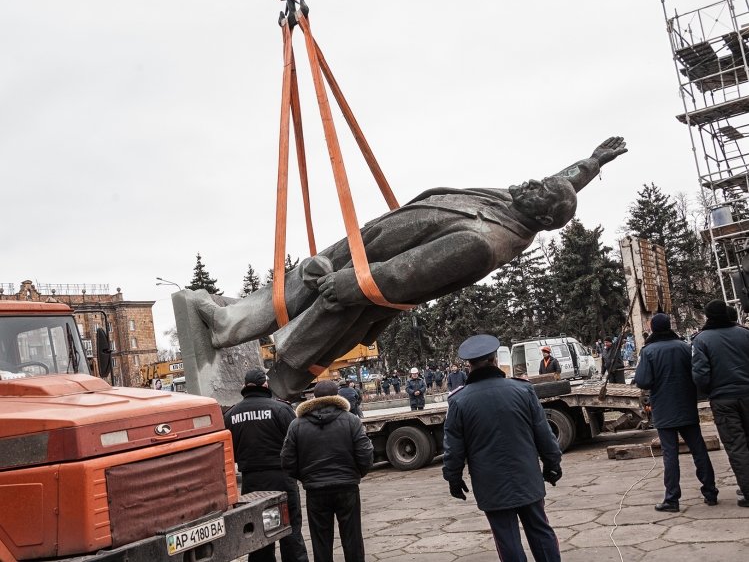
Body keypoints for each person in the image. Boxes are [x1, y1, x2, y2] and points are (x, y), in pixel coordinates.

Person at [184, 138, 628, 399]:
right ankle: (230, 323)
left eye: (537, 189)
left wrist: (350, 284)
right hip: (372, 245)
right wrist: (591, 163)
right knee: (303, 276)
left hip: (366, 279)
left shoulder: (484, 242)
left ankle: (274, 379)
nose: (528, 182)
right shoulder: (517, 204)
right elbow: (560, 182)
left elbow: (408, 274)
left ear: (542, 216)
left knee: (317, 333)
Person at [443, 334, 562, 561]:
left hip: (490, 483)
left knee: (506, 538)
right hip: (526, 474)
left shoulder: (459, 401)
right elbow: (544, 434)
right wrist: (552, 464)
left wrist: (454, 478)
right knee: (540, 530)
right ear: (495, 360)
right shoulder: (522, 390)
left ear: (469, 365)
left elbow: (453, 449)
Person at [280, 380, 374, 562]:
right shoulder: (351, 420)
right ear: (336, 395)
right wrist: (356, 475)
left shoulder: (297, 424)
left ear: (313, 397)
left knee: (320, 540)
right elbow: (365, 454)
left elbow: (287, 460)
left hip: (316, 490)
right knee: (353, 537)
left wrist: (306, 477)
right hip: (347, 487)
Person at [634, 313, 719, 512]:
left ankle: (672, 499)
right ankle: (710, 492)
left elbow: (643, 380)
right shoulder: (684, 347)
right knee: (699, 451)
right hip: (686, 406)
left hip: (664, 410)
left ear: (653, 328)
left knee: (670, 455)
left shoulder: (649, 351)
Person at [223, 369, 309, 562]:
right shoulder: (281, 409)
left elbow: (227, 451)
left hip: (252, 482)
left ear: (245, 386)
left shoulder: (231, 414)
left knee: (259, 533)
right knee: (290, 530)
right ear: (265, 385)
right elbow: (298, 442)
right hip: (282, 477)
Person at [692, 299, 749, 507]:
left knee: (736, 446)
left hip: (723, 399)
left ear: (708, 316)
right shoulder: (744, 333)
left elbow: (700, 374)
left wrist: (709, 391)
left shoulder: (702, 339)